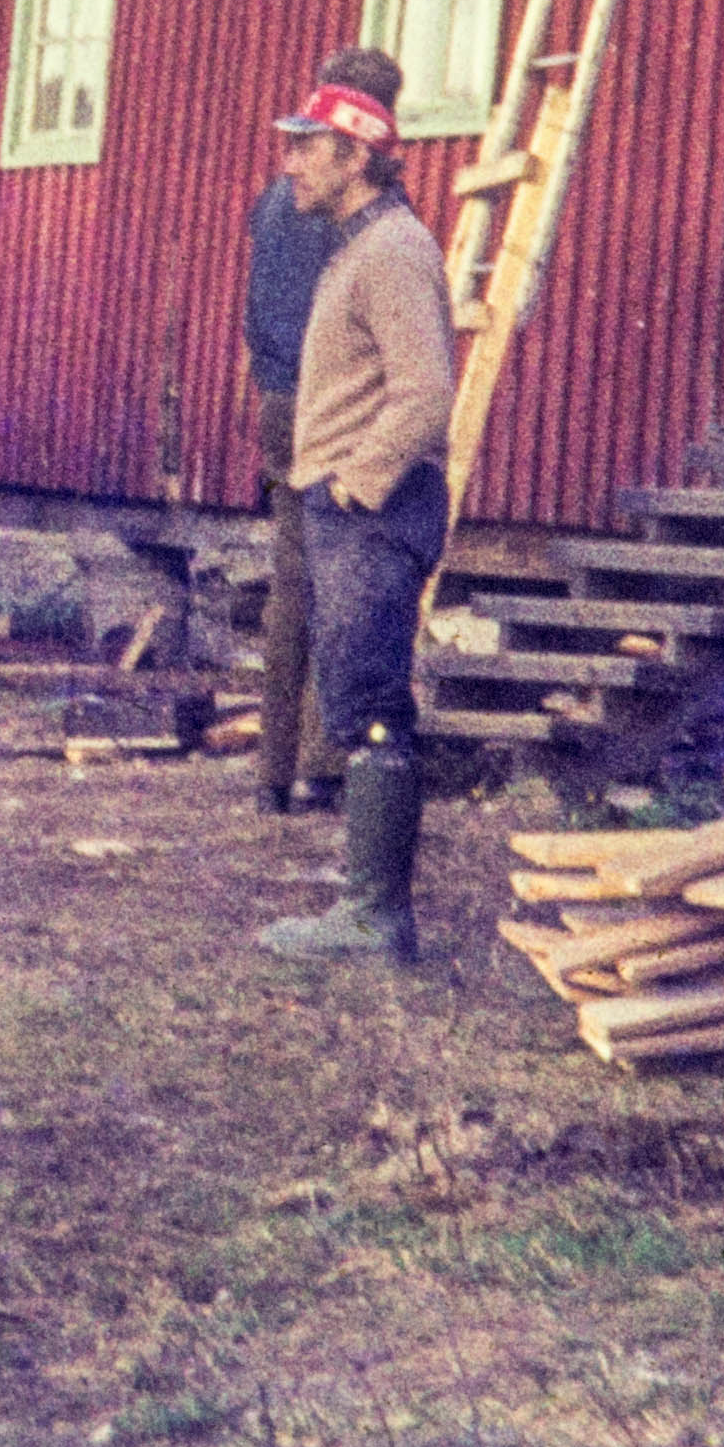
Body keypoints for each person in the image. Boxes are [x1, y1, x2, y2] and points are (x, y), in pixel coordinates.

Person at [254, 74, 460, 966]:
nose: (289, 163)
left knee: (373, 706)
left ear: (356, 156)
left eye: (306, 147)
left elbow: (425, 394)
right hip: (349, 507)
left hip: (374, 510)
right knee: (353, 700)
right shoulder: (357, 244)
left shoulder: (392, 251)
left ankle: (377, 919)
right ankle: (366, 902)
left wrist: (354, 485)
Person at [243, 44, 405, 815]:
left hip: (275, 397)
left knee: (291, 585)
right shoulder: (351, 213)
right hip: (332, 404)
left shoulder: (275, 200)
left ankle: (273, 772)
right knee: (340, 582)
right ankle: (324, 763)